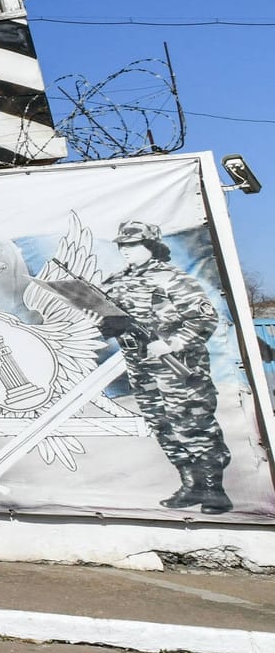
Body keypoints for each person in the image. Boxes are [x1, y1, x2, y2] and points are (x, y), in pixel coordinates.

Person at [100, 220, 232, 514]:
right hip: (141, 366)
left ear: (151, 246)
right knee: (161, 424)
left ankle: (214, 489)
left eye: (133, 245)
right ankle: (190, 484)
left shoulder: (173, 279)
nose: (126, 251)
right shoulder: (115, 281)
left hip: (178, 368)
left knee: (193, 424)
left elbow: (204, 319)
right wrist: (108, 325)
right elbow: (108, 321)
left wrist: (172, 343)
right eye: (123, 245)